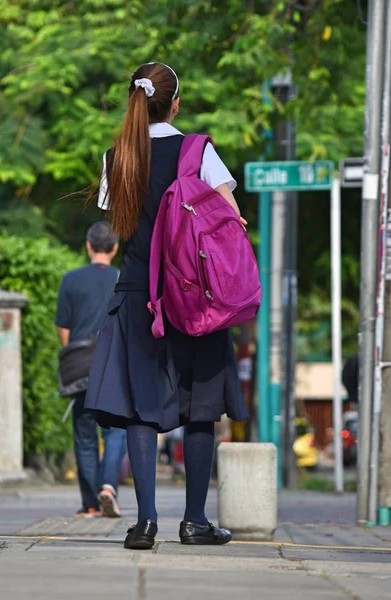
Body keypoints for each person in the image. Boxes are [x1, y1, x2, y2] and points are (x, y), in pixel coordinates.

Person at [85, 62, 249, 549]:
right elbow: (231, 219)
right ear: (175, 102)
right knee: (200, 410)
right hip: (195, 297)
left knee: (140, 409)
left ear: (135, 101)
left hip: (138, 295)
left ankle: (146, 522)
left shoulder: (118, 158)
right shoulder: (198, 150)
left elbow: (121, 225)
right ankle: (195, 521)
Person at [55, 222, 127, 518]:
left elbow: (63, 328)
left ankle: (90, 505)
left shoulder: (70, 280)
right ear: (114, 248)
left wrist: (74, 354)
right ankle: (108, 486)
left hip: (81, 364)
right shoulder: (124, 280)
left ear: (88, 246)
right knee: (116, 430)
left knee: (85, 436)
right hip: (113, 365)